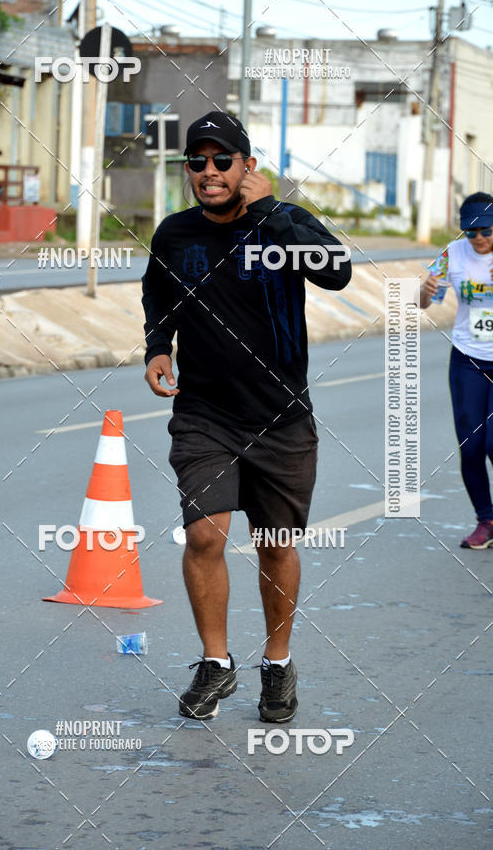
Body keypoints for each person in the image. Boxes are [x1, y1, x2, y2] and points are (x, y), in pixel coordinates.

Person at [141, 110, 351, 722]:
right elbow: (159, 293)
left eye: (222, 161)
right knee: (204, 533)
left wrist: (272, 213)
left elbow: (335, 272)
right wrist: (158, 345)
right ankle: (216, 662)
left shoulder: (282, 224)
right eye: (197, 162)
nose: (208, 172)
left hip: (281, 418)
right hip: (204, 414)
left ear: (247, 167)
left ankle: (278, 665)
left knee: (276, 545)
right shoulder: (176, 235)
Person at [420, 191, 493, 549]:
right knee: (471, 446)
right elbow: (424, 303)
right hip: (468, 358)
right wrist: (424, 289)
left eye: (486, 231)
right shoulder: (453, 253)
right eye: (471, 232)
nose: (479, 238)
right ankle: (486, 520)